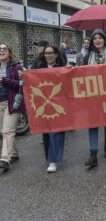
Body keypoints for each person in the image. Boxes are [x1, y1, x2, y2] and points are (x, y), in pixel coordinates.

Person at [83, 29, 106, 168]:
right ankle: (93, 155)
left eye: (100, 38)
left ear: (104, 40)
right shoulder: (87, 57)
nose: (97, 40)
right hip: (92, 95)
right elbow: (80, 72)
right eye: (94, 38)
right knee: (93, 124)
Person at [38, 45, 67, 173]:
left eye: (51, 53)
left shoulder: (62, 68)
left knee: (56, 133)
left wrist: (70, 70)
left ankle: (53, 161)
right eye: (46, 53)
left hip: (58, 106)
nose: (48, 55)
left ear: (56, 55)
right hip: (44, 106)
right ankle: (49, 158)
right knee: (46, 133)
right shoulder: (39, 68)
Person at [0, 43, 25, 175]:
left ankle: (5, 159)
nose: (1, 50)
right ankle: (14, 153)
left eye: (4, 48)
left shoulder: (16, 67)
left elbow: (20, 86)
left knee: (8, 131)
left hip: (11, 103)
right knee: (3, 131)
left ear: (9, 52)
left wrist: (4, 80)